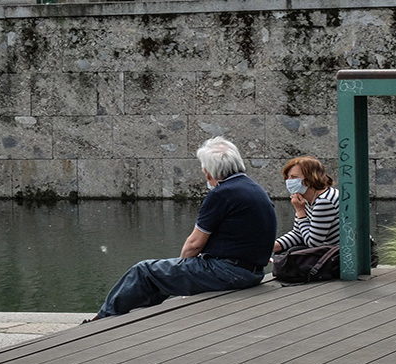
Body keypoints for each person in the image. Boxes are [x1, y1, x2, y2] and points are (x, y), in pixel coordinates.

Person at [88, 137, 276, 321]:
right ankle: (136, 317)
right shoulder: (255, 189)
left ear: (208, 172)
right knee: (162, 276)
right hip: (253, 272)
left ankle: (103, 319)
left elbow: (194, 244)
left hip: (229, 273)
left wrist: (183, 266)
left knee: (144, 271)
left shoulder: (222, 194)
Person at [273, 156, 379, 266]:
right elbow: (298, 233)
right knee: (282, 253)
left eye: (294, 177)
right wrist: (272, 247)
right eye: (288, 177)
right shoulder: (306, 199)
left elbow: (313, 243)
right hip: (333, 251)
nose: (289, 181)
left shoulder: (324, 201)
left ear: (309, 179)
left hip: (351, 255)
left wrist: (300, 211)